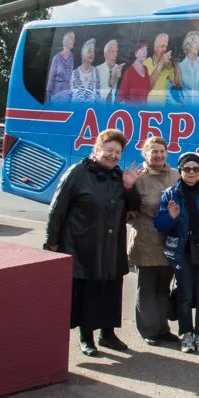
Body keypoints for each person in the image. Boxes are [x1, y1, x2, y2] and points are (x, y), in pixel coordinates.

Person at [46, 129, 141, 356]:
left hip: (111, 245)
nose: (113, 155)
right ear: (97, 149)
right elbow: (57, 209)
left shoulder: (120, 176)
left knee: (110, 290)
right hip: (82, 245)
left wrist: (129, 187)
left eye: (117, 152)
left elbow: (133, 207)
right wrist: (52, 242)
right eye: (109, 150)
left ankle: (107, 334)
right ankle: (86, 338)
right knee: (86, 293)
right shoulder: (77, 173)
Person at [154, 152, 199, 353]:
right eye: (187, 169)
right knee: (185, 296)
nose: (192, 172)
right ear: (180, 170)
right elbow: (159, 225)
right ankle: (186, 335)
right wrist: (170, 217)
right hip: (183, 252)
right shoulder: (170, 193)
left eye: (196, 168)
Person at [127, 136, 179, 346]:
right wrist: (128, 188)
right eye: (153, 151)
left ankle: (163, 328)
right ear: (145, 154)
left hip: (169, 242)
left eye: (161, 151)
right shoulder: (138, 179)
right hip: (146, 240)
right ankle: (148, 330)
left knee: (163, 288)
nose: (158, 155)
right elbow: (128, 210)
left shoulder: (176, 175)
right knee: (147, 288)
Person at [143, 32, 181, 106]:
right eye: (162, 46)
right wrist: (161, 64)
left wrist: (176, 65)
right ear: (154, 48)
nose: (164, 49)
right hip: (148, 109)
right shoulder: (146, 63)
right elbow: (147, 87)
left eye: (166, 47)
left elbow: (178, 84)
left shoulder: (167, 64)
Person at [178, 31, 199, 107]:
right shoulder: (180, 65)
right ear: (188, 44)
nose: (198, 46)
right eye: (195, 42)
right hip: (184, 111)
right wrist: (175, 104)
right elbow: (168, 88)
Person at [45, 30, 76, 103]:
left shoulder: (72, 57)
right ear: (65, 41)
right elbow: (51, 78)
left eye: (74, 38)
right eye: (71, 38)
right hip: (56, 94)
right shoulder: (56, 58)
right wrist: (48, 96)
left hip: (68, 94)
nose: (74, 40)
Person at [69, 39, 100, 103]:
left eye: (93, 51)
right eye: (89, 51)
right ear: (83, 54)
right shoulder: (74, 73)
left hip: (91, 111)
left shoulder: (96, 72)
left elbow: (98, 96)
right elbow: (71, 96)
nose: (92, 54)